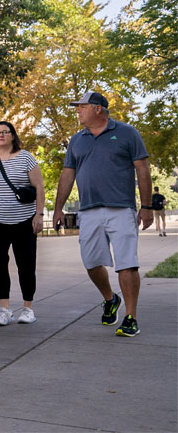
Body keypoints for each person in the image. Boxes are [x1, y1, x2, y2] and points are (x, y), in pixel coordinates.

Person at [52, 92, 153, 337]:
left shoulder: (128, 133)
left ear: (98, 109)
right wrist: (58, 208)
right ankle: (110, 299)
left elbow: (143, 170)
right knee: (91, 263)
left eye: (81, 107)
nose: (77, 111)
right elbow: (67, 175)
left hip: (122, 208)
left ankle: (131, 317)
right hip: (88, 210)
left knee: (127, 264)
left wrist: (147, 206)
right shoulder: (77, 140)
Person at [0, 121, 45, 326]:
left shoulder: (26, 157)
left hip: (24, 221)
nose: (2, 135)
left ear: (13, 136)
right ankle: (4, 309)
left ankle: (27, 308)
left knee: (26, 264)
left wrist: (38, 214)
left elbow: (39, 187)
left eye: (6, 132)